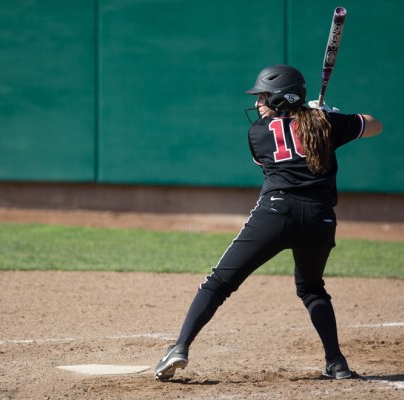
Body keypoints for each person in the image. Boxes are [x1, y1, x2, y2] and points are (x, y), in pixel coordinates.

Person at [154, 64, 383, 381]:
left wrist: (316, 120)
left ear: (279, 98)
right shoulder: (326, 123)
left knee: (218, 283)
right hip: (320, 218)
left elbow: (270, 154)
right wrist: (329, 116)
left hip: (275, 213)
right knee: (312, 289)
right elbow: (376, 126)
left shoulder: (257, 133)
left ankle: (180, 347)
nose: (258, 102)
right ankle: (337, 363)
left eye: (263, 96)